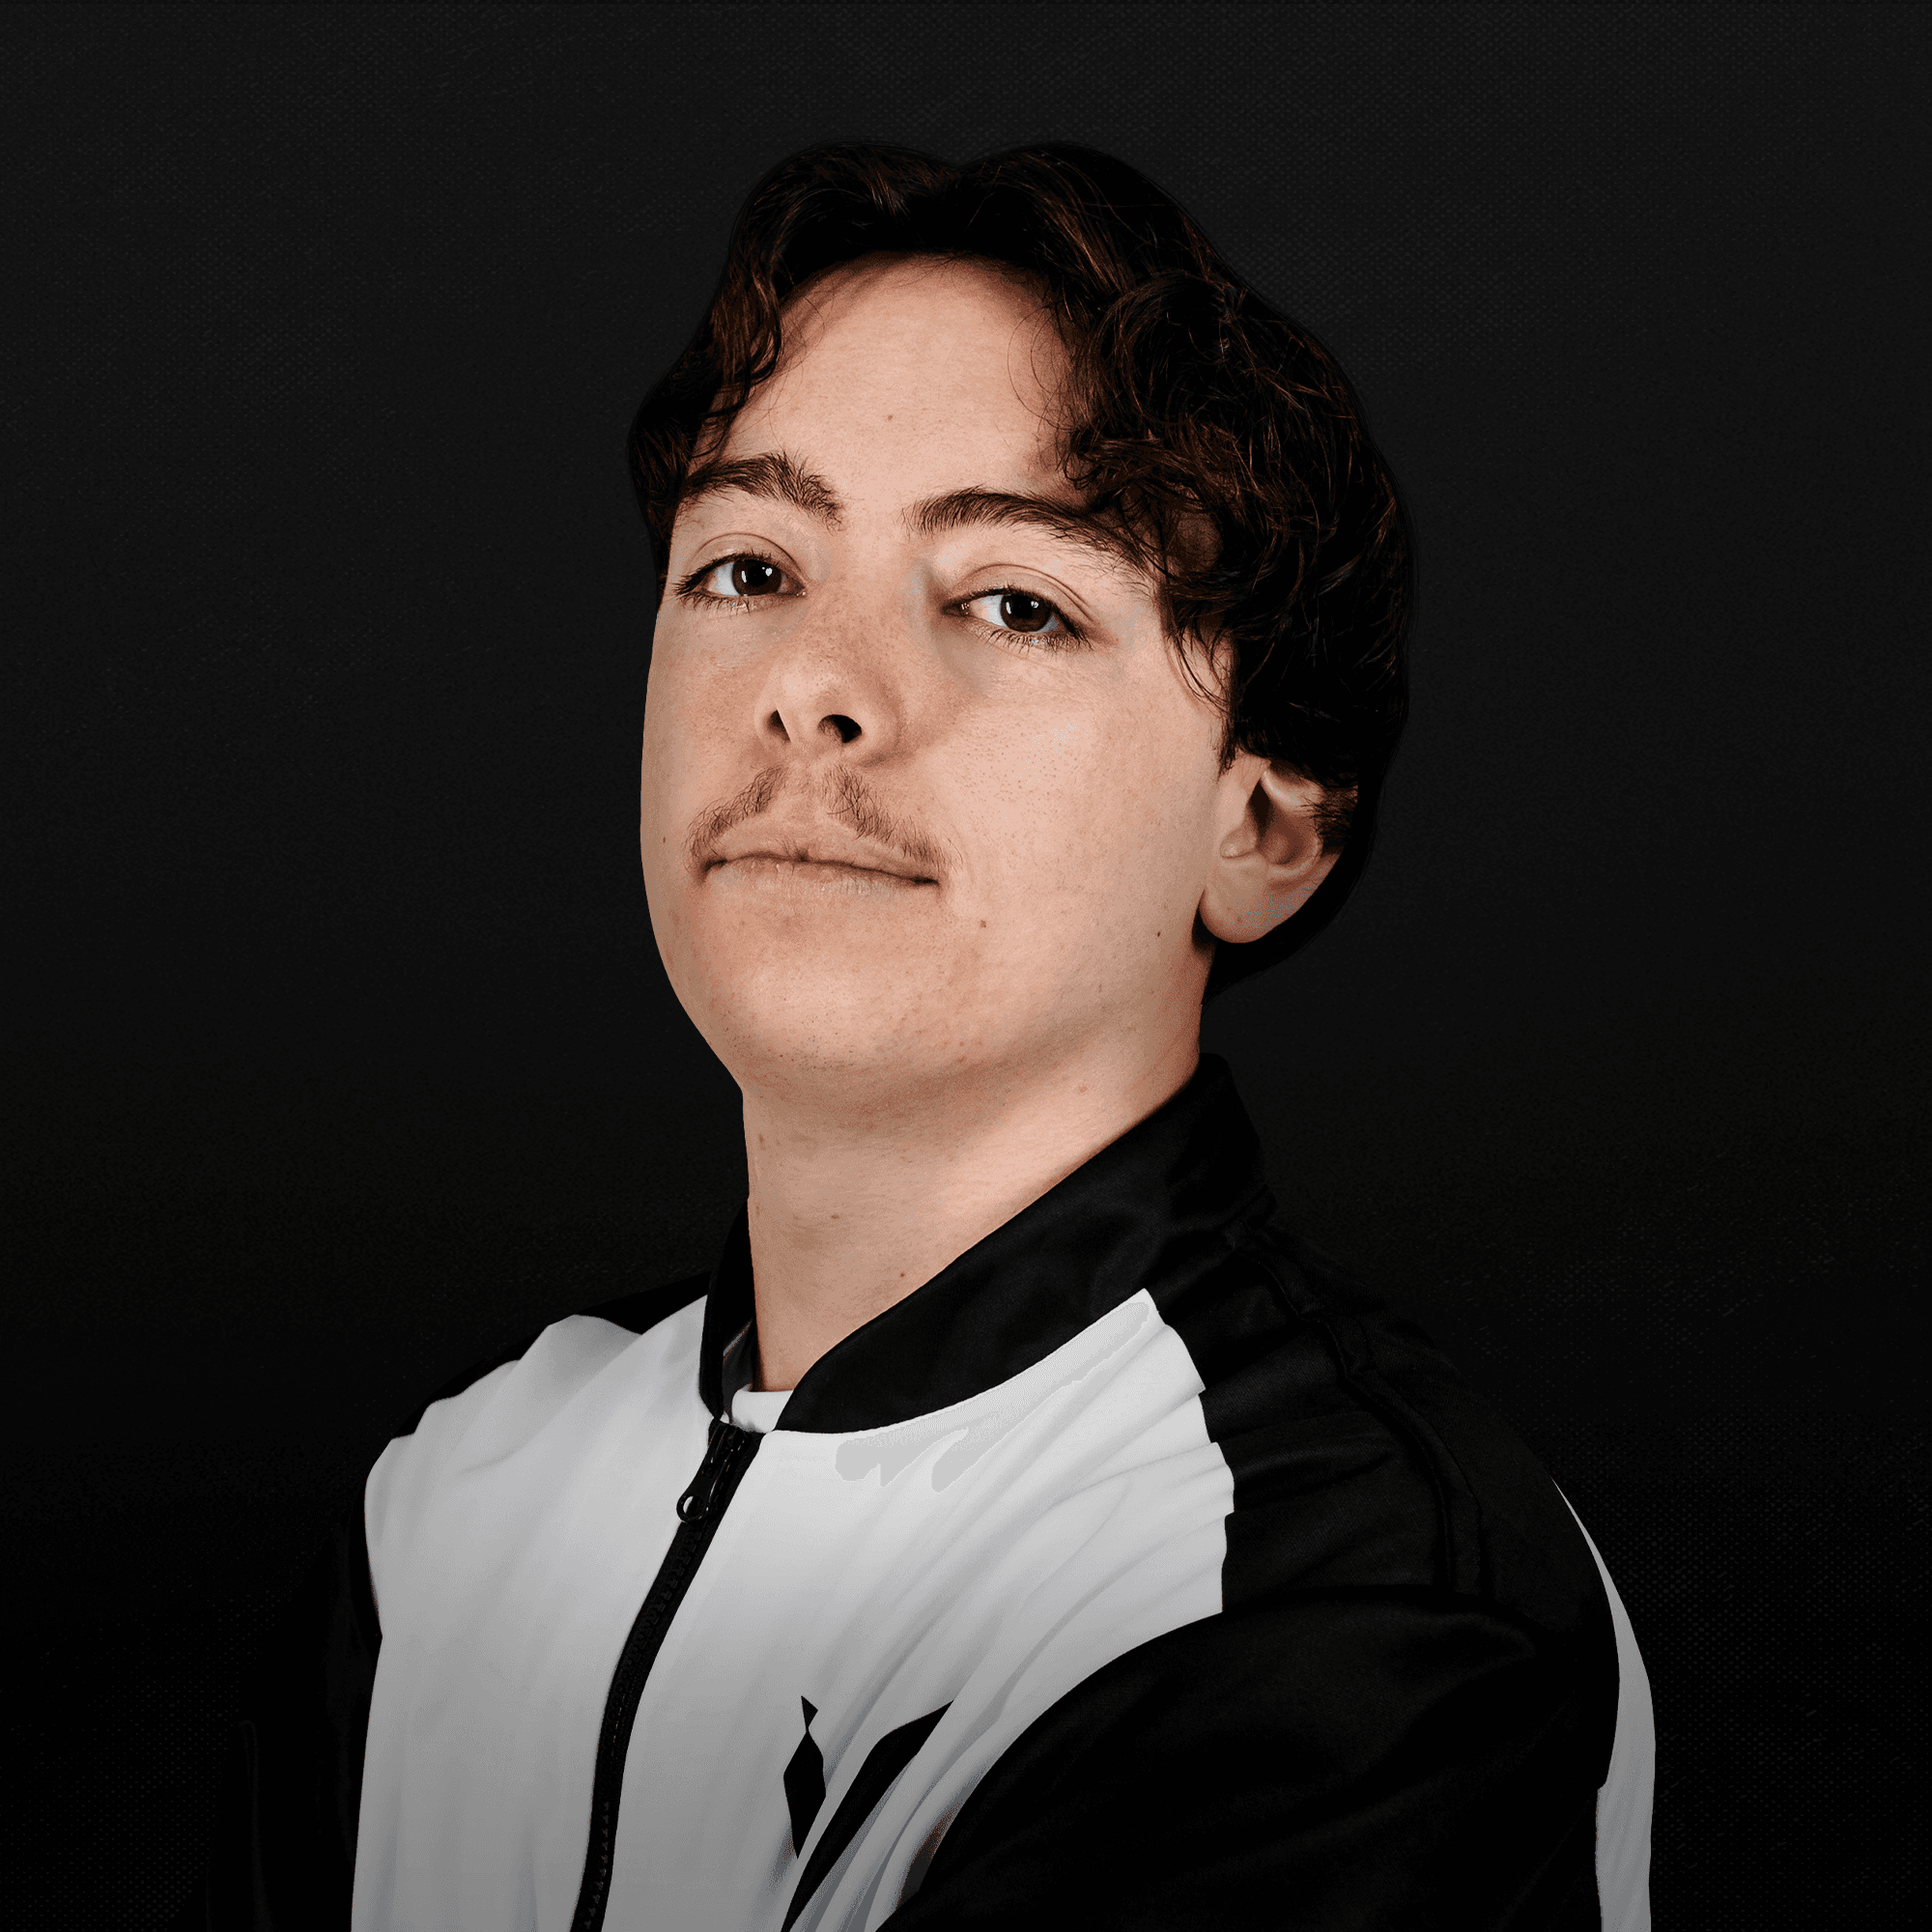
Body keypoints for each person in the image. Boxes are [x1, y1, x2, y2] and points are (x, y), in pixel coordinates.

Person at [186, 143, 1653, 1931]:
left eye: (1014, 600)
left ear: (1265, 824)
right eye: (748, 568)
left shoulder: (1339, 1598)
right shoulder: (458, 1505)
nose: (815, 683)